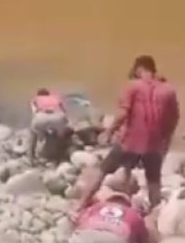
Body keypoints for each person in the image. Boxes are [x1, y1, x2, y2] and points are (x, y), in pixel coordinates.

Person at [76, 55, 180, 214]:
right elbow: (173, 118)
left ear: (140, 69)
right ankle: (155, 215)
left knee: (102, 170)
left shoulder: (132, 87)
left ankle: (81, 204)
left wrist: (108, 131)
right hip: (154, 144)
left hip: (130, 141)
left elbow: (123, 114)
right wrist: (166, 139)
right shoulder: (169, 90)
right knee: (153, 181)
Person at [28, 88, 70, 164]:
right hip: (58, 117)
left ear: (38, 95)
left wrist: (41, 130)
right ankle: (60, 157)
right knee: (60, 135)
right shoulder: (56, 98)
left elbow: (34, 112)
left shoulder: (35, 99)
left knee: (33, 133)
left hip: (41, 117)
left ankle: (31, 158)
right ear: (48, 94)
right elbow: (64, 111)